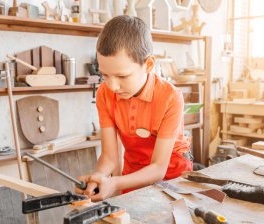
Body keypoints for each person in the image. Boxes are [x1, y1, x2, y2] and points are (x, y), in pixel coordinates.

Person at [75, 15, 193, 202]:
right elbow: (109, 157)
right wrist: (98, 178)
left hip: (172, 175)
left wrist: (115, 183)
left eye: (122, 76)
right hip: (132, 174)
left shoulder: (170, 97)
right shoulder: (104, 94)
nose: (113, 86)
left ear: (148, 65)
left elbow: (158, 168)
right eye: (105, 75)